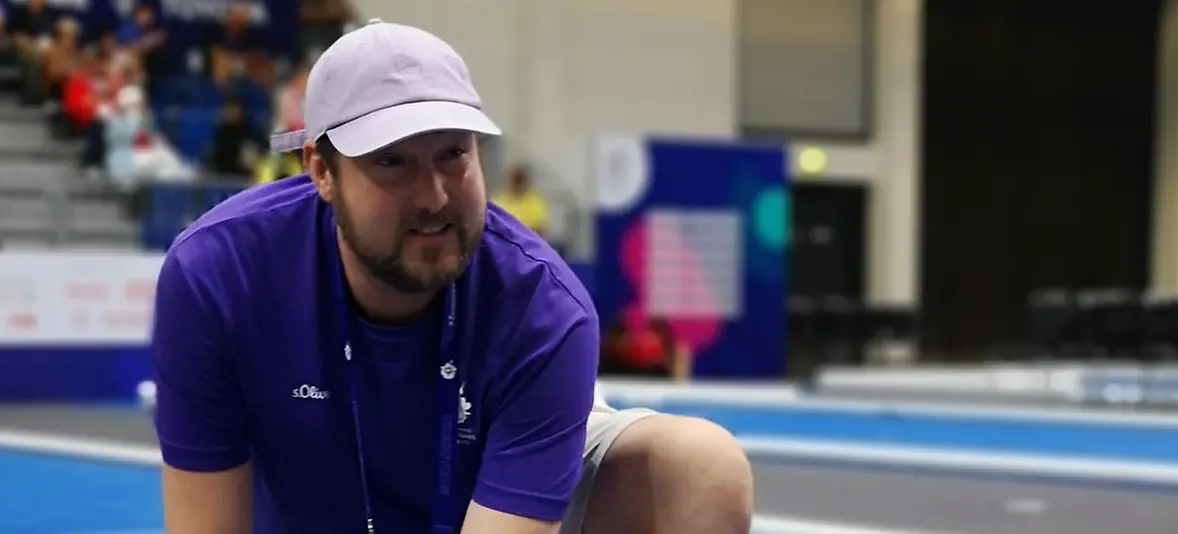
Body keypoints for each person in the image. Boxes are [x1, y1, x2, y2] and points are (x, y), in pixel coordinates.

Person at [153, 18, 751, 534]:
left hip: (493, 496)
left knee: (701, 469)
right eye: (392, 162)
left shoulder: (544, 309)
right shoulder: (217, 276)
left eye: (453, 155)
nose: (435, 196)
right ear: (321, 170)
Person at [492, 164, 550, 237]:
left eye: (519, 179)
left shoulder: (535, 201)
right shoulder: (498, 199)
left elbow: (540, 230)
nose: (516, 182)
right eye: (514, 178)